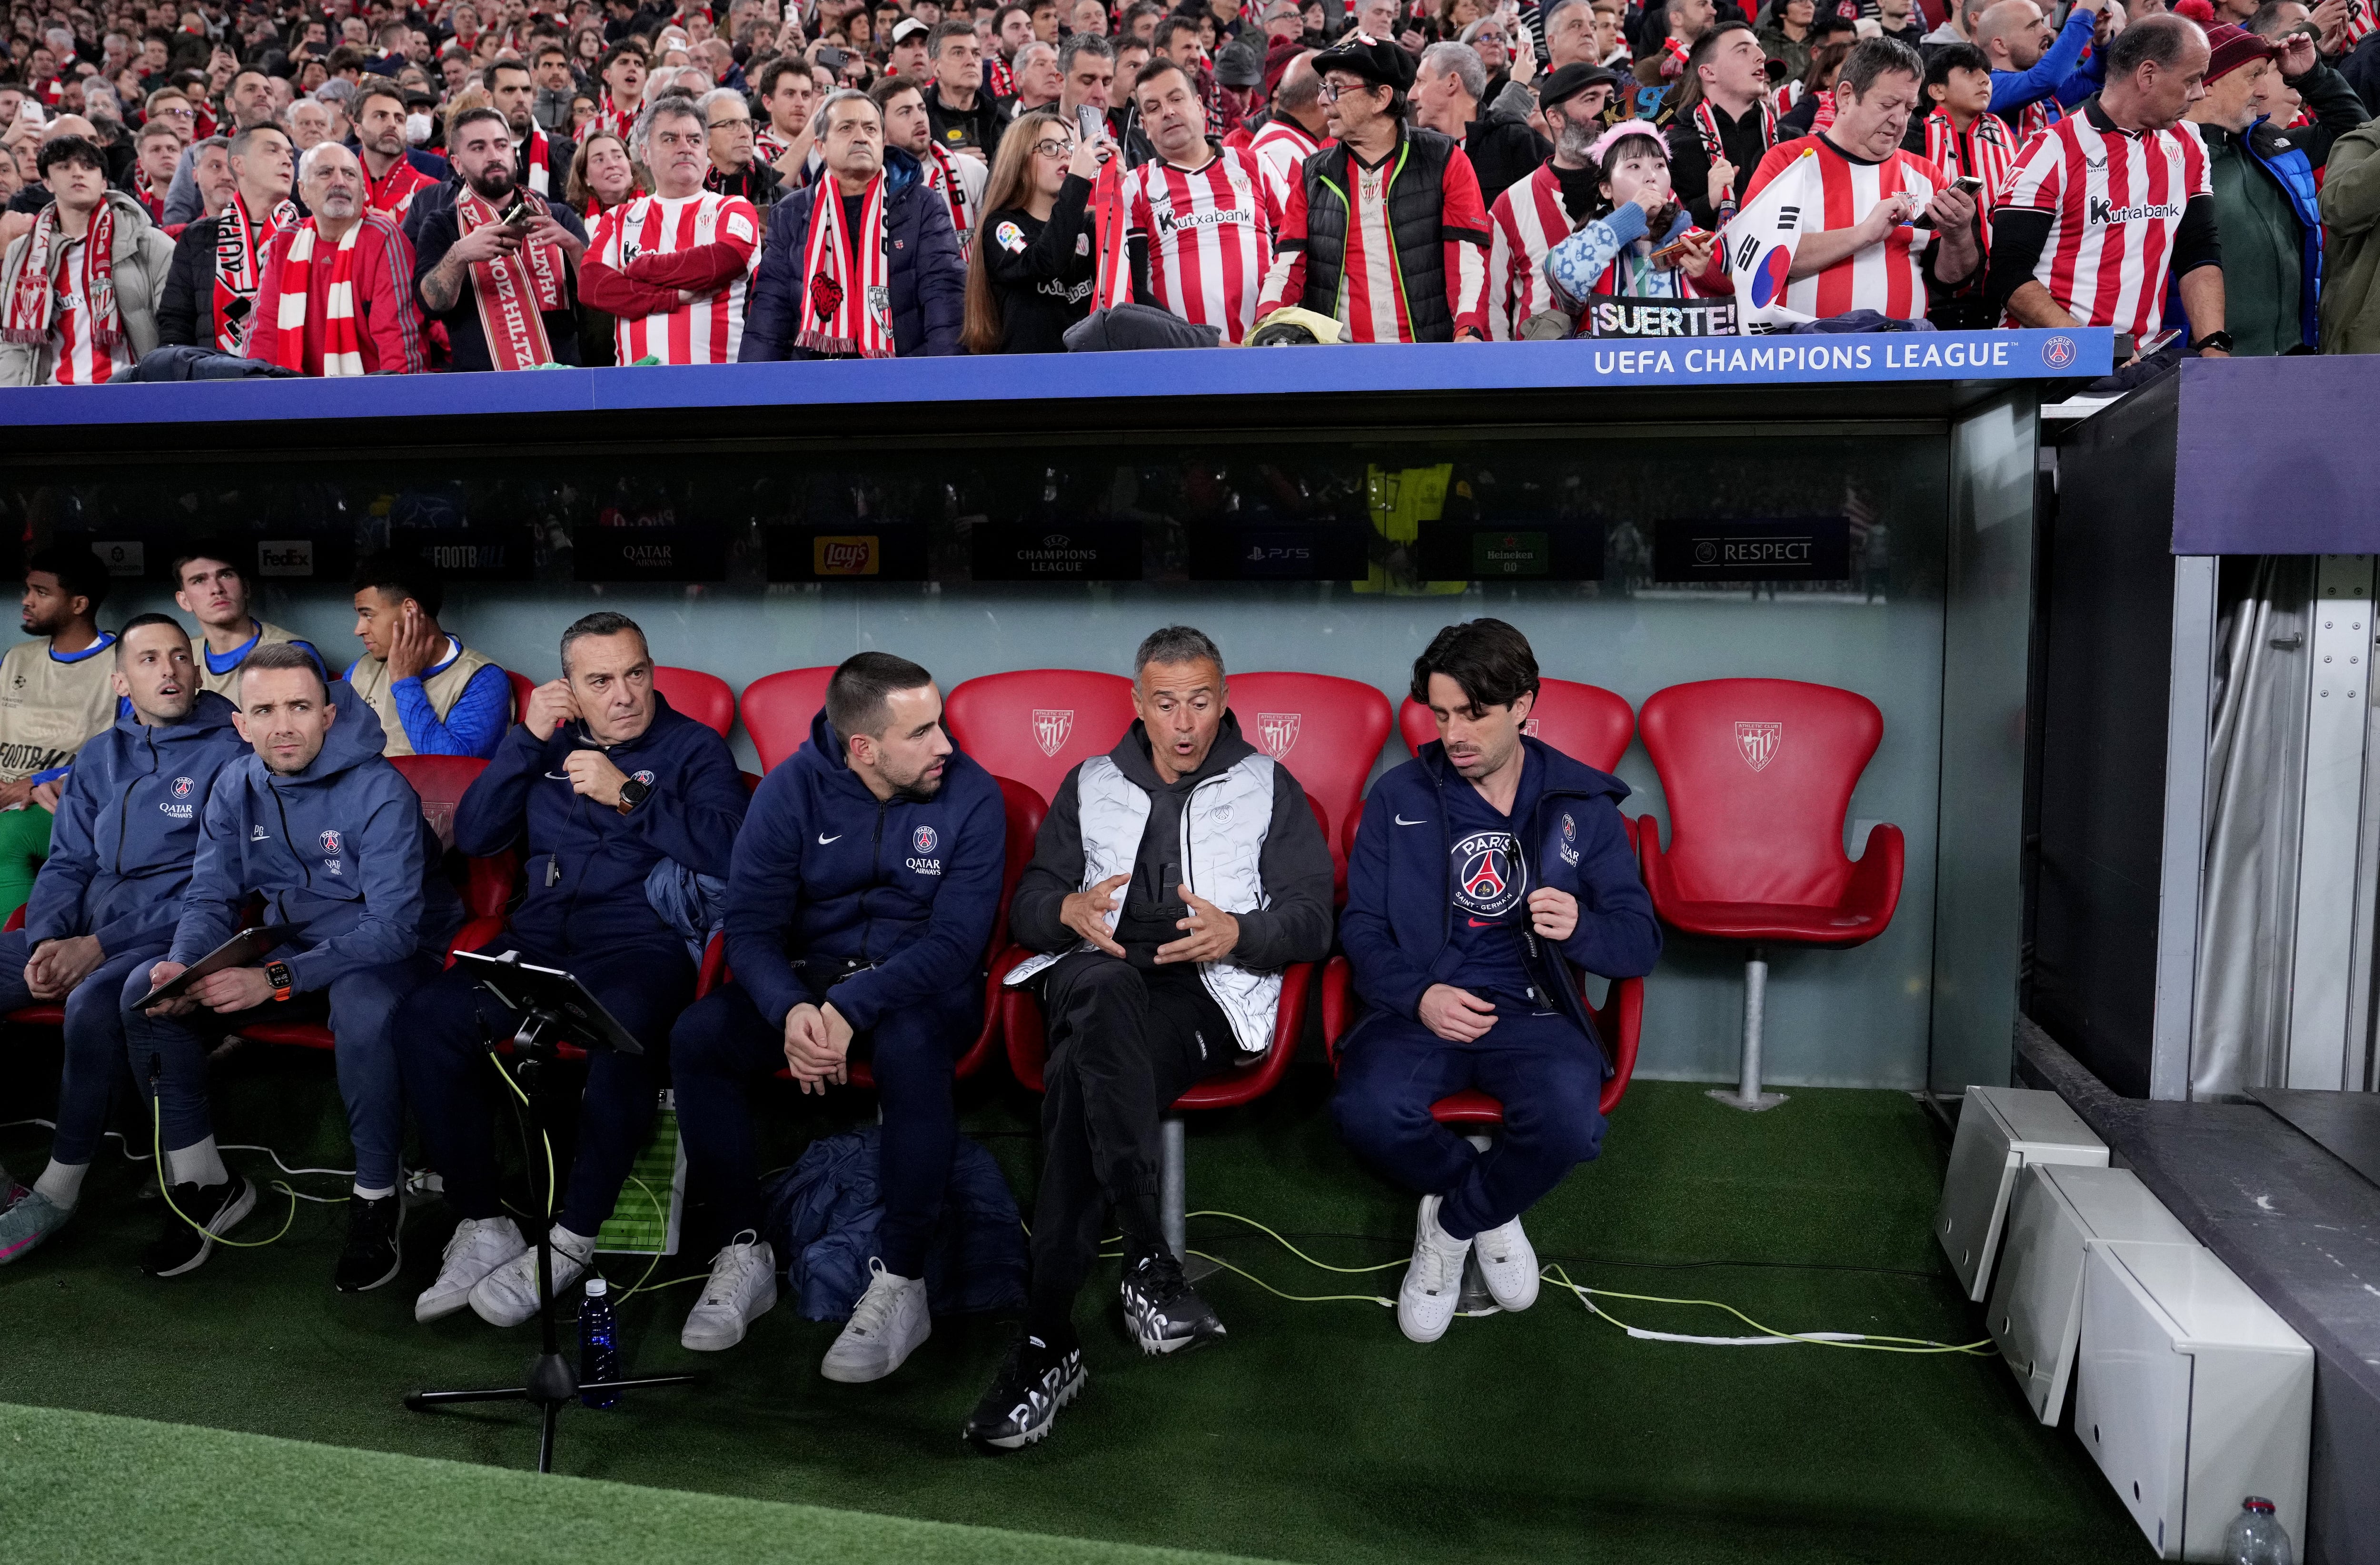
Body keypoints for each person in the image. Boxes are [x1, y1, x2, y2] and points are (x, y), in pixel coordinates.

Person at [964, 625, 1332, 1452]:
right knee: (1099, 984)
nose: (1185, 721)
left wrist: (1240, 930)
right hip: (1099, 980)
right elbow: (1029, 904)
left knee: (1078, 1076)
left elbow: (1314, 920)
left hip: (1201, 1000)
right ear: (1138, 704)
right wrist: (1064, 911)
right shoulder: (1090, 783)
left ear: (1224, 699)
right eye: (1166, 702)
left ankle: (1045, 1342)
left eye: (1201, 700)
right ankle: (1147, 1261)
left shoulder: (1269, 785)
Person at [403, 612, 746, 1327]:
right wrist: (526, 740)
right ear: (569, 691)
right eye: (601, 681)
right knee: (426, 1019)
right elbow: (477, 834)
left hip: (642, 949)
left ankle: (571, 1240)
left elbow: (732, 852)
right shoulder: (544, 746)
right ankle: (481, 1223)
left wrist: (628, 794)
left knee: (618, 1033)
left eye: (636, 673)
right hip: (540, 942)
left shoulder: (694, 748)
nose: (625, 694)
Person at [670, 652, 1003, 1373]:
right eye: (920, 733)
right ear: (864, 747)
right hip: (807, 980)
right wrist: (792, 1009)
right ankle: (743, 1253)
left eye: (940, 724)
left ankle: (902, 1280)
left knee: (913, 1048)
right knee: (701, 1036)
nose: (945, 744)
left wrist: (850, 1009)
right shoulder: (791, 789)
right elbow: (751, 925)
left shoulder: (971, 794)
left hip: (920, 985)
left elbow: (955, 943)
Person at [1333, 619, 1657, 1346]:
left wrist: (1579, 928)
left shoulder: (1581, 805)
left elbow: (1639, 943)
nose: (1454, 734)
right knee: (1367, 1111)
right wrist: (1420, 996)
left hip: (1534, 1013)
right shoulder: (1399, 796)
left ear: (1523, 705)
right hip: (1423, 1007)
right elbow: (1359, 929)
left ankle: (1448, 1227)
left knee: (1572, 1124)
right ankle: (1490, 1205)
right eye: (1441, 714)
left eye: (1473, 713)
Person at [128, 645, 463, 1289]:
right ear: (241, 723)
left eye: (300, 707)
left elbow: (392, 930)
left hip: (397, 952)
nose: (283, 725)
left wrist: (274, 980)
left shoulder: (381, 790)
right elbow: (209, 895)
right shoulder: (235, 783)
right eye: (266, 710)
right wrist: (184, 965)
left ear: (329, 715)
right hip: (294, 944)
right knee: (148, 1000)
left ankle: (375, 1195)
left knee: (363, 1006)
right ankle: (205, 1184)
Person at [0, 616, 250, 1269]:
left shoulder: (232, 751)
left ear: (197, 672)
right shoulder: (100, 753)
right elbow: (65, 863)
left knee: (92, 1002)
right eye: (148, 660)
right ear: (121, 681)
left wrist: (97, 949)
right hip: (80, 930)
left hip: (163, 935)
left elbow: (215, 887)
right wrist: (47, 941)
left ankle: (59, 1188)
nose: (167, 671)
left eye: (179, 657)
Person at [1987, 15, 2228, 352]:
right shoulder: (2051, 150)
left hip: (2136, 361)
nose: (2200, 93)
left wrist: (2213, 345)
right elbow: (2007, 277)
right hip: (2049, 363)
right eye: (2192, 80)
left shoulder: (2188, 144)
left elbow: (2198, 252)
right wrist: (2094, 350)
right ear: (2148, 75)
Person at [1255, 33, 1493, 341]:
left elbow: (1468, 262)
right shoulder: (1313, 173)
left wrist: (1468, 331)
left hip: (1427, 361)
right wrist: (1267, 321)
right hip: (1339, 367)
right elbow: (1287, 265)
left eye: (1336, 88)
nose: (1322, 100)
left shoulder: (1446, 160)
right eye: (1323, 87)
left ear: (1381, 97)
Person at [1738, 37, 1980, 323]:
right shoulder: (1788, 163)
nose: (1899, 120)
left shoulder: (1927, 175)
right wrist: (1864, 234)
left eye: (1908, 108)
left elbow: (1952, 282)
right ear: (1845, 96)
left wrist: (1959, 236)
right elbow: (1758, 262)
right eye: (1888, 104)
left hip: (1899, 356)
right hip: (1804, 355)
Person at [739, 88, 967, 359]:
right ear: (821, 147)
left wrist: (944, 386)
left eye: (871, 129)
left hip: (902, 378)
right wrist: (759, 392)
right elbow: (770, 310)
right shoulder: (790, 213)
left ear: (883, 144)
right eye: (846, 128)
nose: (861, 137)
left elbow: (945, 298)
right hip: (817, 380)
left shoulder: (923, 205)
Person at [2185, 22, 2357, 353]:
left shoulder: (2272, 144)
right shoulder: (2165, 158)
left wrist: (2312, 77)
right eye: (2254, 75)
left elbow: (2355, 134)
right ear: (2207, 83)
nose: (2264, 91)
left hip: (2296, 354)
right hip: (2206, 365)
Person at [580, 95, 762, 364]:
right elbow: (592, 286)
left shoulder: (733, 208)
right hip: (639, 393)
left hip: (720, 389)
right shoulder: (618, 218)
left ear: (707, 151)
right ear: (644, 153)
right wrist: (672, 297)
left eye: (695, 140)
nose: (685, 148)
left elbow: (724, 260)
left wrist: (638, 268)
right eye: (670, 139)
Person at [414, 105, 590, 371]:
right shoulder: (442, 224)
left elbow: (600, 298)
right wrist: (460, 254)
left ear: (513, 153)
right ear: (457, 164)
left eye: (501, 145)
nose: (494, 156)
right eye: (478, 148)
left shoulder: (557, 216)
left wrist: (573, 248)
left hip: (564, 384)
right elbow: (431, 305)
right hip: (485, 393)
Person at [1119, 59, 1275, 341]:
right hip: (1182, 360)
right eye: (1153, 108)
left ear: (1200, 105)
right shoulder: (1135, 187)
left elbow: (1294, 256)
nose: (1168, 112)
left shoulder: (1258, 166)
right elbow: (1135, 290)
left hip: (1266, 349)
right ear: (1144, 125)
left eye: (1176, 99)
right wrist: (1197, 340)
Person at [0, 135, 172, 385]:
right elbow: (13, 343)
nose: (78, 173)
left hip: (132, 392)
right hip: (51, 397)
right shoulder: (23, 252)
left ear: (104, 183)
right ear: (47, 182)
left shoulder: (149, 243)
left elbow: (173, 326)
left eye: (88, 167)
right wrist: (12, 402)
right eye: (64, 167)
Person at [0, 548, 117, 913]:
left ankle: (16, 955)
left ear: (79, 603)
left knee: (8, 839)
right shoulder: (18, 657)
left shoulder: (121, 662)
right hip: (6, 791)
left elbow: (130, 751)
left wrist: (38, 781)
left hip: (65, 800)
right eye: (27, 590)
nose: (27, 601)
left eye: (41, 593)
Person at [245, 141, 426, 376]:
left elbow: (397, 339)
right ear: (303, 191)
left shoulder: (383, 237)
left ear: (363, 191)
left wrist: (398, 404)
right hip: (296, 398)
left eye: (349, 174)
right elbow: (264, 332)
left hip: (372, 399)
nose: (340, 182)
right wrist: (257, 395)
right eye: (325, 173)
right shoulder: (285, 242)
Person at [1486, 63, 1622, 337]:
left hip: (1620, 364)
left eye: (1610, 97)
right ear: (1556, 118)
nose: (1610, 111)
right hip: (1541, 367)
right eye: (1592, 99)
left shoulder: (1643, 189)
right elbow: (1492, 307)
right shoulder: (1510, 203)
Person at [1543, 119, 1724, 319]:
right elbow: (1562, 279)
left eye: (1659, 165)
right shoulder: (1591, 241)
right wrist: (1629, 217)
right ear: (1606, 189)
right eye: (1634, 166)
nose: (1651, 176)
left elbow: (1733, 313)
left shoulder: (1695, 241)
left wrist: (1705, 276)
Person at [344, 552, 513, 760]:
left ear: (410, 610)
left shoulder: (482, 679)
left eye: (368, 615)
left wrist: (406, 683)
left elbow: (453, 766)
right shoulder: (360, 671)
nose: (358, 629)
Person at [962, 107, 1099, 350]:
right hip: (1028, 377)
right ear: (1019, 160)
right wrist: (1077, 181)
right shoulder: (1002, 227)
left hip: (1085, 373)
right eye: (1048, 147)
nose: (1065, 155)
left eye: (1067, 145)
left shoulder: (1087, 224)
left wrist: (1116, 192)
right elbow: (1046, 262)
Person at [156, 122, 296, 353]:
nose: (287, 160)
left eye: (290, 154)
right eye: (273, 150)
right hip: (215, 379)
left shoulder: (308, 234)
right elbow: (176, 321)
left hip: (292, 379)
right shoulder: (199, 237)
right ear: (239, 164)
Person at [1908, 40, 2017, 327]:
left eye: (1987, 73)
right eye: (1970, 71)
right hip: (1931, 300)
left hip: (2001, 298)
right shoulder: (1912, 137)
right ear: (1937, 90)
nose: (1985, 79)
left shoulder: (2004, 132)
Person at [1665, 20, 1775, 229]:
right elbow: (1659, 234)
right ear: (1709, 73)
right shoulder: (1673, 148)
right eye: (1743, 50)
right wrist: (1710, 202)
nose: (1762, 57)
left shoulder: (1791, 140)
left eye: (1759, 48)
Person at [1412, 40, 1550, 205]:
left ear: (1452, 82)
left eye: (1421, 81)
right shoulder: (1417, 153)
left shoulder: (1517, 142)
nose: (1411, 95)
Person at [169, 552, 325, 696]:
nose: (216, 589)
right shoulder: (182, 655)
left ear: (246, 588)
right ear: (184, 601)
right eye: (199, 580)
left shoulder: (292, 651)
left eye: (226, 575)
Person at [1973, 0, 2109, 138]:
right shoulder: (1987, 86)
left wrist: (2101, 40)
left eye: (2042, 23)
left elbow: (2092, 78)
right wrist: (2083, 15)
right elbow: (2046, 79)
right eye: (2032, 27)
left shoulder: (2041, 88)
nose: (2047, 31)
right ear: (2001, 46)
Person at [880, 74, 987, 243]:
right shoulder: (874, 185)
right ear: (881, 130)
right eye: (906, 112)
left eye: (922, 109)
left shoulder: (971, 170)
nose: (919, 119)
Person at [1244, 45, 1322, 213]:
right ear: (1322, 99)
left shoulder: (1284, 141)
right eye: (1336, 89)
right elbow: (1286, 237)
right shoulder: (1284, 155)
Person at [488, 56, 574, 197]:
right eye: (509, 90)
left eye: (526, 90)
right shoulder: (472, 153)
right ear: (488, 97)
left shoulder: (562, 150)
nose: (521, 98)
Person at [354, 83, 439, 221]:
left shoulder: (430, 191)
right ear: (358, 129)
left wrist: (395, 232)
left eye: (400, 119)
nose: (393, 124)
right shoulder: (342, 187)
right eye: (381, 116)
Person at [927, 18, 1005, 157]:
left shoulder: (1002, 120)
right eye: (958, 53)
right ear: (935, 66)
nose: (971, 61)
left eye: (976, 54)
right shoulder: (920, 120)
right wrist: (951, 165)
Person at [753, 52, 821, 178]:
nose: (800, 103)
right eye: (790, 94)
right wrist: (812, 129)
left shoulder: (827, 146)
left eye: (806, 95)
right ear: (768, 102)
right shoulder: (754, 156)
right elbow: (773, 191)